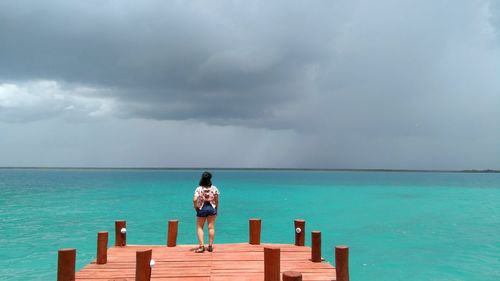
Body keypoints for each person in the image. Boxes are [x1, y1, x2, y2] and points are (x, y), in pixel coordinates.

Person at [193, 171, 219, 253]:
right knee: (211, 227)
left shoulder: (199, 189)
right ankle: (210, 246)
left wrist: (196, 207)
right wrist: (216, 209)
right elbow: (216, 200)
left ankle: (201, 246)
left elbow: (194, 199)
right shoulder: (214, 188)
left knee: (200, 227)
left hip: (202, 208)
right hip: (212, 208)